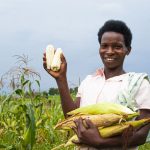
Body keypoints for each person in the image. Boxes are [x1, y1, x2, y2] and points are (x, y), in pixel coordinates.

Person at [43, 20, 150, 150]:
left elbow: (141, 135)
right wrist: (61, 79)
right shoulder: (88, 81)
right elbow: (71, 118)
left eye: (117, 46)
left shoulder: (139, 84)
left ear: (128, 50)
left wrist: (100, 142)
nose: (109, 51)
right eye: (104, 46)